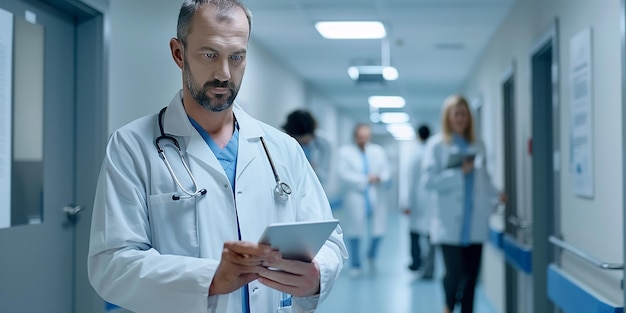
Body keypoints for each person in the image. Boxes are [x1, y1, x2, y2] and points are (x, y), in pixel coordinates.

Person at [87, 1, 348, 312]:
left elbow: (330, 241)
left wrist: (316, 275)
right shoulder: (132, 146)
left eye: (236, 57)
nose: (224, 74)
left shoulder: (282, 148)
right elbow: (112, 265)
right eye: (209, 55)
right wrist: (209, 278)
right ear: (178, 53)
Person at [421, 95, 506, 313]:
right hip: (449, 223)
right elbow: (428, 181)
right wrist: (459, 173)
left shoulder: (478, 144)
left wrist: (497, 195)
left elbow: (483, 178)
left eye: (464, 114)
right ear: (448, 117)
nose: (460, 118)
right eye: (456, 113)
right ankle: (448, 306)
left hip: (474, 222)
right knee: (454, 273)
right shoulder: (436, 145)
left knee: (471, 276)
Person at [337, 123, 391, 278]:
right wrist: (366, 179)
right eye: (360, 137)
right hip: (356, 194)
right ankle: (355, 263)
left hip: (376, 194)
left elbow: (386, 170)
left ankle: (371, 254)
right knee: (355, 230)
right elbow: (343, 174)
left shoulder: (377, 151)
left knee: (379, 229)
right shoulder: (345, 152)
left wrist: (381, 178)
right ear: (355, 136)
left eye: (366, 137)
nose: (363, 140)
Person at [401, 124, 435, 279]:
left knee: (415, 233)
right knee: (430, 236)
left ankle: (417, 263)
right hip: (432, 201)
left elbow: (411, 180)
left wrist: (407, 203)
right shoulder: (434, 151)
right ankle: (427, 267)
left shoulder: (416, 154)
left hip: (418, 200)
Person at [282, 109, 332, 186]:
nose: (300, 141)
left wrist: (313, 170)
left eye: (303, 137)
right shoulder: (285, 142)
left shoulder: (324, 143)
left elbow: (324, 174)